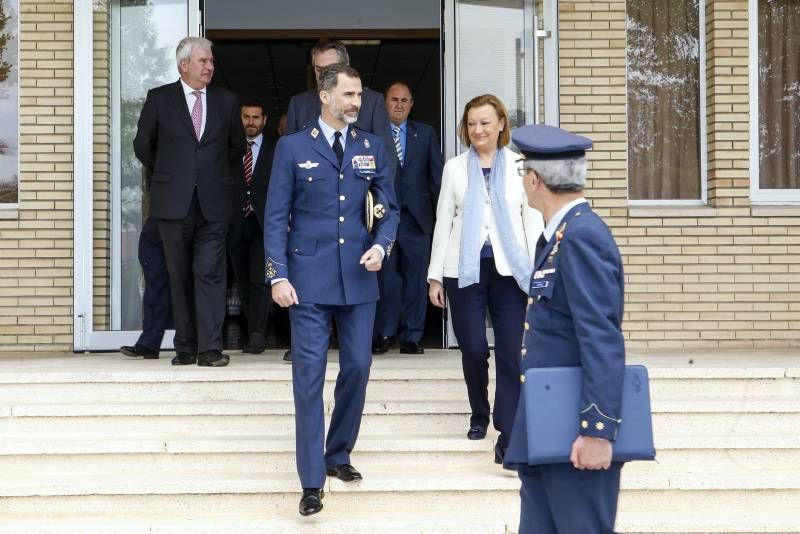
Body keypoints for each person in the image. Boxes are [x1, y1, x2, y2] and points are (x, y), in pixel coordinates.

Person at [264, 63, 398, 517]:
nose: (355, 102)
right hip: (307, 283)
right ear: (325, 96)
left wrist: (382, 245)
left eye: (359, 95)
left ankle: (337, 453)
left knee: (358, 367)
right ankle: (311, 481)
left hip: (360, 279)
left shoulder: (372, 147)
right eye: (348, 94)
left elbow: (388, 207)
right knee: (307, 380)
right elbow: (275, 216)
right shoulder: (292, 147)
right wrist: (277, 275)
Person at [505, 124, 626, 533]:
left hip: (576, 432)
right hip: (548, 423)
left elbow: (601, 338)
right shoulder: (560, 236)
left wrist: (598, 430)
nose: (523, 181)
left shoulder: (580, 237)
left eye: (523, 172)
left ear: (535, 180)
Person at [427, 94, 543, 463]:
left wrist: (540, 271)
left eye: (485, 123)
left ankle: (506, 429)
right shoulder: (455, 168)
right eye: (471, 123)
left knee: (511, 352)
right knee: (474, 348)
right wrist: (434, 278)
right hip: (463, 270)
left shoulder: (522, 166)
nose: (477, 130)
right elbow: (443, 219)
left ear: (501, 124)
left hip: (511, 273)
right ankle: (479, 411)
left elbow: (533, 220)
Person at [281, 39, 398, 363]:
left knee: (358, 361)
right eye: (318, 70)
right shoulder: (300, 104)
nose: (324, 76)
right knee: (309, 358)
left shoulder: (371, 103)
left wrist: (381, 232)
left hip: (358, 241)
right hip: (312, 248)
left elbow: (384, 166)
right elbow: (287, 175)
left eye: (329, 69)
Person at [133, 37, 246, 367]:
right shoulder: (160, 99)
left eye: (211, 61)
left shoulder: (226, 101)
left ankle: (209, 348)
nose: (210, 66)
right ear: (184, 65)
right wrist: (171, 172)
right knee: (178, 275)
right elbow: (143, 145)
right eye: (203, 61)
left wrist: (210, 172)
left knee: (210, 274)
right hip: (172, 204)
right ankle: (185, 346)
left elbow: (236, 147)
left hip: (214, 203)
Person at [372, 81, 443, 355]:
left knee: (416, 279)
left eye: (405, 100)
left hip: (417, 221)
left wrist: (441, 221)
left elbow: (436, 179)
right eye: (394, 100)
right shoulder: (374, 136)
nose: (399, 105)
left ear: (411, 104)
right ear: (385, 103)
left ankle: (412, 336)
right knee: (386, 279)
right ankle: (385, 333)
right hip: (384, 219)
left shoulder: (424, 134)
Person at [228, 98, 275, 354]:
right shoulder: (230, 148)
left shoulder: (275, 149)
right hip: (236, 222)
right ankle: (250, 328)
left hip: (262, 223)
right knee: (242, 280)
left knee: (259, 278)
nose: (250, 122)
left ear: (264, 120)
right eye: (246, 116)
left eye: (256, 117)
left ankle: (258, 332)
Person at [120, 219, 172, 360]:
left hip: (186, 221)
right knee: (155, 286)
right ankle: (149, 344)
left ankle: (190, 345)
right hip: (157, 222)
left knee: (186, 285)